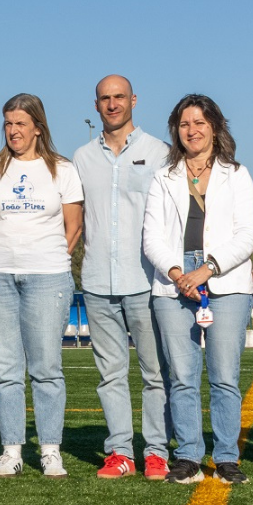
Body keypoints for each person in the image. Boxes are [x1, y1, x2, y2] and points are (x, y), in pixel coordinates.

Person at [143, 95, 253, 486]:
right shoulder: (164, 177)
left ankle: (226, 458)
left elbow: (247, 235)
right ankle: (188, 456)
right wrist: (179, 274)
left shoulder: (237, 174)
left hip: (226, 282)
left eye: (199, 123)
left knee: (224, 376)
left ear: (215, 127)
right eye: (184, 124)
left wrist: (207, 269)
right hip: (173, 283)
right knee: (182, 377)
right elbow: (151, 237)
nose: (191, 130)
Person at [0, 94, 84, 478]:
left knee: (46, 367)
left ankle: (50, 449)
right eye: (8, 123)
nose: (13, 130)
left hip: (47, 276)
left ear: (38, 126)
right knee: (5, 368)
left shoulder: (62, 170)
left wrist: (46, 258)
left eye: (20, 123)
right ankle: (12, 451)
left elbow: (74, 227)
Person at [73, 75, 175, 480]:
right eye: (105, 98)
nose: (112, 104)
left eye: (119, 97)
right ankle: (120, 453)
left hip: (146, 281)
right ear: (96, 105)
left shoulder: (160, 153)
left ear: (133, 100)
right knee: (110, 375)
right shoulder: (81, 157)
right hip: (98, 281)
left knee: (155, 374)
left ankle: (156, 452)